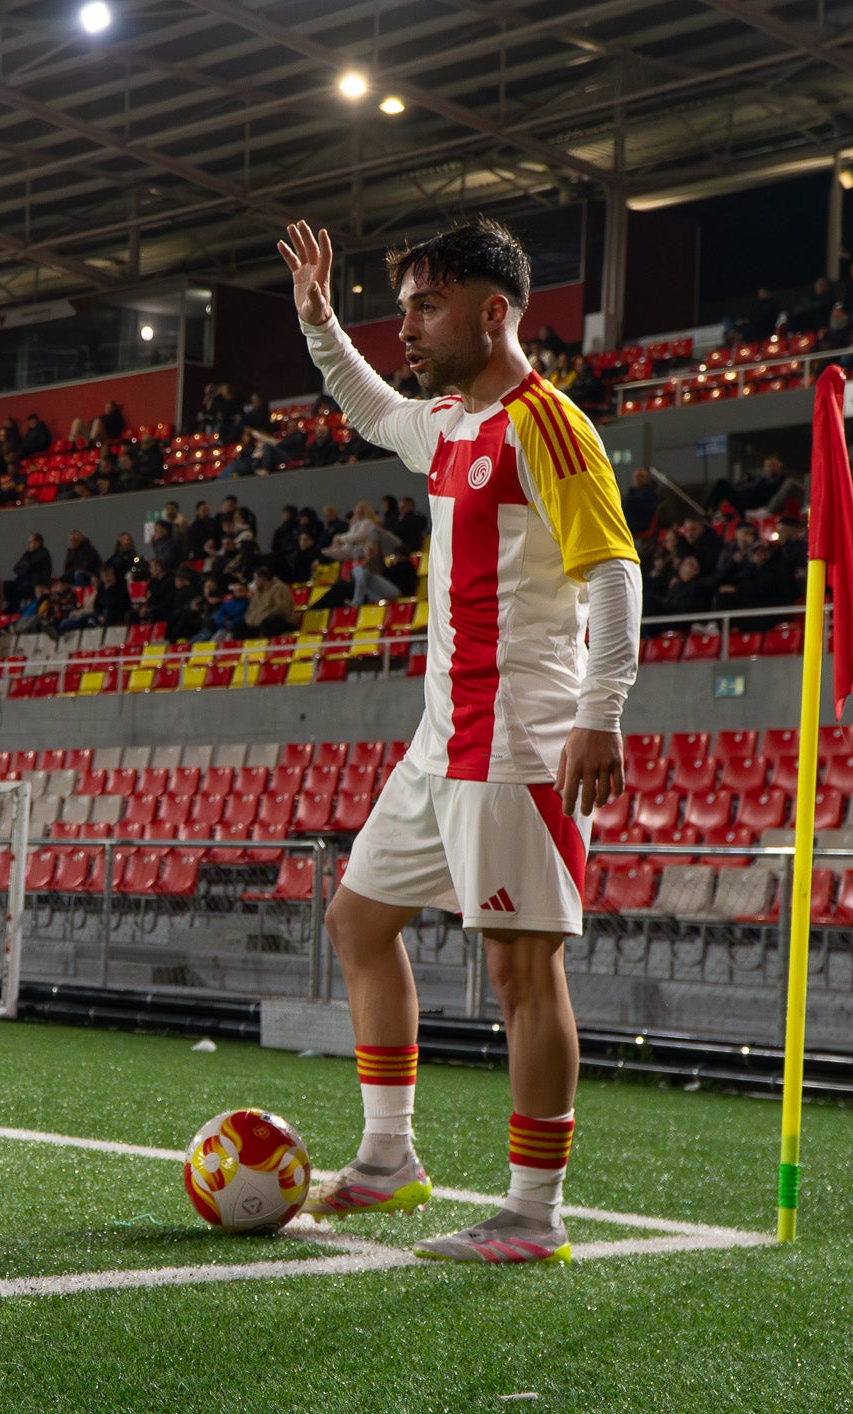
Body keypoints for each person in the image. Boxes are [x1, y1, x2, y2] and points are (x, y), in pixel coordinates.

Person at [280, 215, 640, 1264]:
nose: (403, 325)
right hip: (440, 744)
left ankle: (532, 1214)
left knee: (521, 970)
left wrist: (599, 712)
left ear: (493, 312)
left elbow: (610, 571)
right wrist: (316, 327)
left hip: (518, 740)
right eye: (398, 306)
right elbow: (373, 410)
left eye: (423, 305)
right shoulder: (446, 422)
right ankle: (388, 1160)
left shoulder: (550, 425)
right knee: (355, 922)